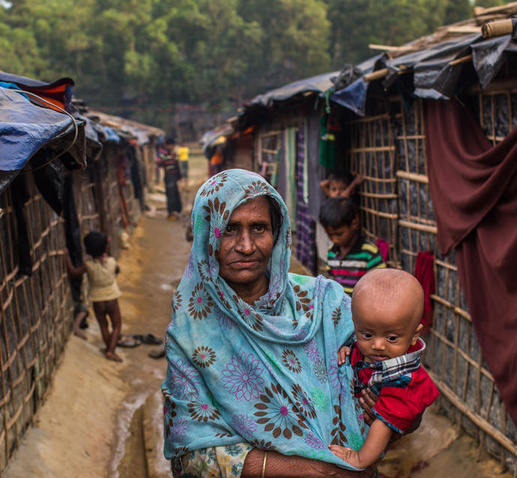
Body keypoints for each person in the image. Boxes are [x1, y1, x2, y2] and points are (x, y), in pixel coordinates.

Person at [163, 169, 392, 478]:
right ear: (207, 235)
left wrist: (390, 409)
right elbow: (192, 452)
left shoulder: (327, 304)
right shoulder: (191, 333)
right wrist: (317, 471)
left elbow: (399, 380)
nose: (246, 246)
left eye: (259, 228)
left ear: (277, 232)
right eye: (229, 230)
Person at [330, 269, 439, 469]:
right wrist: (348, 349)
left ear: (415, 335)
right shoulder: (372, 347)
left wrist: (360, 459)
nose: (378, 345)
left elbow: (383, 424)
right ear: (355, 325)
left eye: (391, 338)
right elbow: (359, 349)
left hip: (374, 436)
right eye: (367, 335)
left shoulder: (403, 379)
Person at [66, 231, 124, 362]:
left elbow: (74, 273)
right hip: (112, 300)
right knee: (117, 325)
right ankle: (111, 350)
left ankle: (108, 347)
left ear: (88, 251)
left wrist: (67, 258)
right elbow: (117, 270)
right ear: (106, 248)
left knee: (103, 325)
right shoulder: (112, 261)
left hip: (98, 301)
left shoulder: (89, 266)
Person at [319, 197, 386, 295]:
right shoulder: (332, 252)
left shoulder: (369, 254)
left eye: (339, 234)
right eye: (330, 235)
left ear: (354, 224)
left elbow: (380, 286)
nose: (335, 239)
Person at [158, 138, 183, 220]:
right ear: (168, 145)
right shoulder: (163, 153)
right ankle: (171, 212)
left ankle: (176, 210)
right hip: (169, 175)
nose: (172, 147)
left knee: (175, 193)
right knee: (171, 194)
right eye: (171, 145)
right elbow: (159, 162)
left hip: (174, 176)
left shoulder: (172, 153)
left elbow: (176, 165)